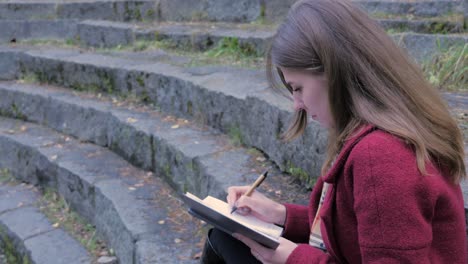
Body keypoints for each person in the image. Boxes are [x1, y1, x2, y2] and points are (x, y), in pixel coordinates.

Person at [199, 0, 467, 263]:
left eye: (298, 87)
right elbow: (357, 230)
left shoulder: (382, 156)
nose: (297, 105)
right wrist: (281, 215)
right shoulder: (376, 135)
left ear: (333, 72)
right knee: (225, 238)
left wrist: (293, 258)